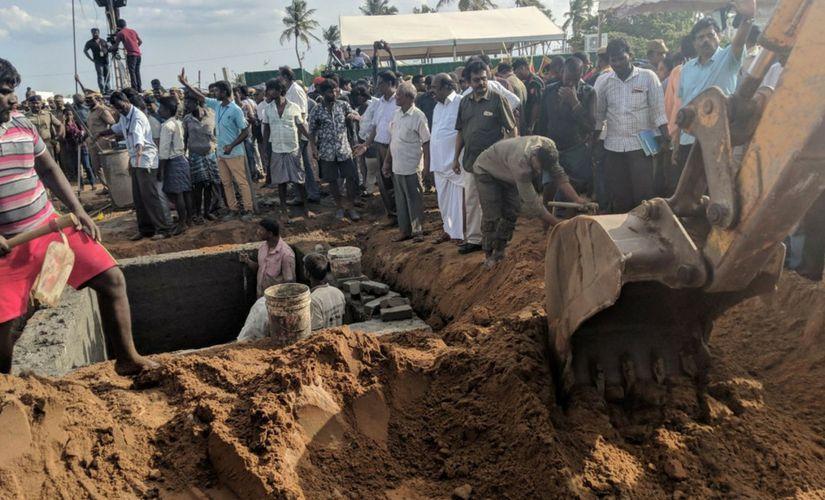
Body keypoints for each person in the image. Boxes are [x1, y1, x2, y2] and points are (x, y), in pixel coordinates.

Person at [0, 58, 157, 375]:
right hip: (7, 248)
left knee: (112, 280)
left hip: (48, 227)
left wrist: (79, 210)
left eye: (12, 91)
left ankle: (127, 359)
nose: (13, 99)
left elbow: (49, 168)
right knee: (4, 329)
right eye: (4, 92)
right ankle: (7, 394)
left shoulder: (23, 125)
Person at [474, 136, 586, 269]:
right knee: (492, 215)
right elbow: (534, 205)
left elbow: (560, 176)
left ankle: (499, 252)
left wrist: (577, 200)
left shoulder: (549, 147)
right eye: (537, 168)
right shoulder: (521, 165)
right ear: (533, 156)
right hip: (486, 171)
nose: (538, 172)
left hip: (507, 171)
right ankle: (488, 256)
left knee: (511, 212)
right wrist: (560, 224)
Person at [673, 1, 756, 174]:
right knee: (687, 196)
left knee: (716, 193)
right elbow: (683, 104)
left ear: (719, 36)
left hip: (719, 140)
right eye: (700, 37)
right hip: (688, 140)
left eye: (710, 35)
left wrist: (748, 17)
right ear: (694, 43)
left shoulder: (728, 58)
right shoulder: (686, 68)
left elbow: (739, 41)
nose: (705, 40)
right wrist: (676, 141)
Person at [594, 38, 669, 214]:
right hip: (614, 147)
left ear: (630, 56)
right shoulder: (604, 82)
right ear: (609, 61)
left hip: (642, 146)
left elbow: (658, 112)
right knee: (620, 197)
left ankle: (646, 232)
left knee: (644, 196)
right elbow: (599, 116)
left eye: (621, 58)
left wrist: (666, 138)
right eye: (614, 60)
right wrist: (595, 142)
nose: (618, 63)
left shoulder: (648, 77)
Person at [453, 59, 517, 255]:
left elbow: (511, 129)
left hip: (493, 164)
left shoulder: (498, 100)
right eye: (476, 80)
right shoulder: (464, 103)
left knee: (494, 202)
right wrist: (455, 158)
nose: (480, 83)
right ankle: (474, 239)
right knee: (471, 200)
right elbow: (461, 132)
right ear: (468, 82)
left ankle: (497, 241)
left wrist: (510, 158)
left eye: (483, 79)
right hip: (471, 162)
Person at [178, 70, 255, 219]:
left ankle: (248, 209)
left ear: (225, 92)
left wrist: (232, 145)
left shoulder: (236, 110)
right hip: (220, 153)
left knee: (241, 182)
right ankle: (233, 209)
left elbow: (246, 132)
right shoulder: (217, 105)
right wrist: (186, 84)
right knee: (225, 183)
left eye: (217, 91)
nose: (214, 93)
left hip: (234, 153)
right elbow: (201, 97)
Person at [100, 91, 174, 240]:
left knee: (151, 196)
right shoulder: (124, 116)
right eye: (116, 108)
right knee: (139, 197)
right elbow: (117, 129)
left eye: (121, 106)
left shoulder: (137, 117)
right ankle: (146, 229)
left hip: (145, 160)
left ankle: (165, 228)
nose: (120, 110)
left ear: (126, 101)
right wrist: (100, 133)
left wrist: (138, 154)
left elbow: (138, 140)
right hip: (136, 160)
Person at [536, 57, 596, 198]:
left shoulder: (588, 92)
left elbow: (590, 125)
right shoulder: (549, 91)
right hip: (552, 148)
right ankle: (549, 219)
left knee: (573, 192)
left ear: (581, 75)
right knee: (549, 188)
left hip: (576, 149)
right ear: (562, 72)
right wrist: (540, 144)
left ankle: (570, 219)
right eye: (567, 78)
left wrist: (574, 103)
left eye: (574, 79)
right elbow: (543, 121)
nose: (570, 83)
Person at [381, 82, 431, 243]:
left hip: (412, 166)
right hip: (398, 167)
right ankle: (404, 231)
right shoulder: (396, 114)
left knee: (414, 199)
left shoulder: (418, 116)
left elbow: (426, 143)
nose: (396, 97)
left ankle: (418, 231)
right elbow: (392, 140)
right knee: (401, 201)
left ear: (409, 97)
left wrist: (427, 167)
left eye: (399, 95)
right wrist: (387, 162)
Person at [307, 78, 362, 221]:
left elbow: (356, 115)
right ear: (323, 92)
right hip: (327, 152)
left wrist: (353, 116)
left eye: (335, 90)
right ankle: (339, 207)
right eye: (330, 91)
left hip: (344, 149)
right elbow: (311, 131)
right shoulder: (316, 110)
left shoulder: (343, 105)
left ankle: (350, 207)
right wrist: (313, 148)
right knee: (332, 181)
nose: (334, 93)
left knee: (350, 177)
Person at [262, 77, 314, 219]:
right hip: (277, 149)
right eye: (268, 90)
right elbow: (266, 130)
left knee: (299, 181)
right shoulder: (267, 109)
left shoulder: (294, 107)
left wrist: (311, 141)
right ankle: (284, 210)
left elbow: (301, 125)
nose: (269, 92)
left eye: (271, 89)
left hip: (293, 148)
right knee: (281, 182)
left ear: (280, 90)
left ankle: (306, 209)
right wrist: (265, 149)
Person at [359, 70, 399, 224]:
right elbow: (375, 127)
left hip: (395, 148)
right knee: (384, 183)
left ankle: (402, 215)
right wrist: (366, 144)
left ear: (390, 83)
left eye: (380, 83)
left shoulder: (399, 100)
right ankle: (392, 215)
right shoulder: (380, 102)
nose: (377, 86)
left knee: (397, 183)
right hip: (380, 147)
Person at [429, 73, 464, 244]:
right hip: (438, 162)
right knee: (443, 201)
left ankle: (459, 234)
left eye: (435, 87)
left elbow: (462, 132)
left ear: (446, 87)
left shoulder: (460, 102)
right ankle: (448, 230)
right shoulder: (437, 107)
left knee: (457, 200)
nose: (431, 91)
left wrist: (456, 158)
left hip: (454, 162)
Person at [280, 66, 320, 204]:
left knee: (299, 166)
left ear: (285, 77)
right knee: (304, 166)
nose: (279, 80)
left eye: (280, 77)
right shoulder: (290, 90)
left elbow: (300, 115)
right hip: (297, 132)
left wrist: (296, 136)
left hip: (299, 133)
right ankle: (310, 194)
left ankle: (306, 195)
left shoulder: (295, 91)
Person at [183, 94, 221, 224]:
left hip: (210, 154)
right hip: (195, 155)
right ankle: (198, 213)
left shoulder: (211, 114)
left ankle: (207, 211)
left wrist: (216, 146)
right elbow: (185, 138)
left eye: (188, 102)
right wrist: (184, 154)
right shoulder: (187, 119)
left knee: (210, 184)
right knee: (198, 186)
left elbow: (216, 133)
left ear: (197, 102)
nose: (186, 104)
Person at [157, 96, 193, 232]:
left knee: (178, 195)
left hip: (172, 161)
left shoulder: (166, 126)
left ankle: (182, 223)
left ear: (167, 110)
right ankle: (189, 219)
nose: (159, 110)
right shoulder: (178, 122)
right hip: (182, 159)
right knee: (186, 192)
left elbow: (164, 151)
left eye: (161, 108)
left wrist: (161, 170)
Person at [240, 218, 296, 298]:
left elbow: (290, 285)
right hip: (261, 298)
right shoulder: (263, 247)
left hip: (276, 302)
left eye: (261, 230)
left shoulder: (286, 254)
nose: (258, 232)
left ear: (270, 234)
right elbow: (260, 269)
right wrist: (247, 261)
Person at [304, 253, 346, 331]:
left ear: (307, 273)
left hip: (325, 342)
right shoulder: (338, 293)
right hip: (339, 339)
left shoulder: (313, 300)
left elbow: (316, 332)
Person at [83, 90, 116, 189]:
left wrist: (106, 136)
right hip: (92, 142)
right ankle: (107, 187)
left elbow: (113, 124)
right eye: (86, 100)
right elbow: (90, 127)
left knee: (107, 166)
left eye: (90, 99)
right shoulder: (90, 112)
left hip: (102, 141)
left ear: (97, 99)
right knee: (96, 167)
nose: (88, 102)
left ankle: (113, 188)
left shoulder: (102, 110)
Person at [26, 95, 64, 161]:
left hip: (47, 144)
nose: (35, 105)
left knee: (51, 164)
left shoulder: (48, 114)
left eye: (37, 103)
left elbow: (60, 125)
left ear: (41, 104)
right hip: (33, 146)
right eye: (33, 103)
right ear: (29, 104)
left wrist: (57, 138)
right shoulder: (25, 117)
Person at [513, 57, 544, 135]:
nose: (516, 76)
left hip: (535, 124)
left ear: (522, 68)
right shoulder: (526, 82)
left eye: (517, 73)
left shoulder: (534, 82)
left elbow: (536, 104)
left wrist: (531, 126)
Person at [112, 19, 143, 92]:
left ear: (118, 26)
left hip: (131, 55)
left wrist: (110, 48)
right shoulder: (133, 31)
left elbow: (116, 46)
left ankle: (134, 89)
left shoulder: (120, 33)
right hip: (138, 54)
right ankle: (139, 88)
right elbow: (140, 41)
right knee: (137, 71)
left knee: (132, 72)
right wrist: (135, 47)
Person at [83, 28, 110, 94]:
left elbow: (108, 48)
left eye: (97, 32)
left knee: (107, 75)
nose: (96, 34)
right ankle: (102, 90)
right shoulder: (90, 42)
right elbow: (85, 51)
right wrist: (91, 59)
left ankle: (107, 89)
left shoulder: (103, 41)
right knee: (100, 75)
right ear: (92, 33)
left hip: (105, 60)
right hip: (98, 61)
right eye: (94, 32)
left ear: (99, 33)